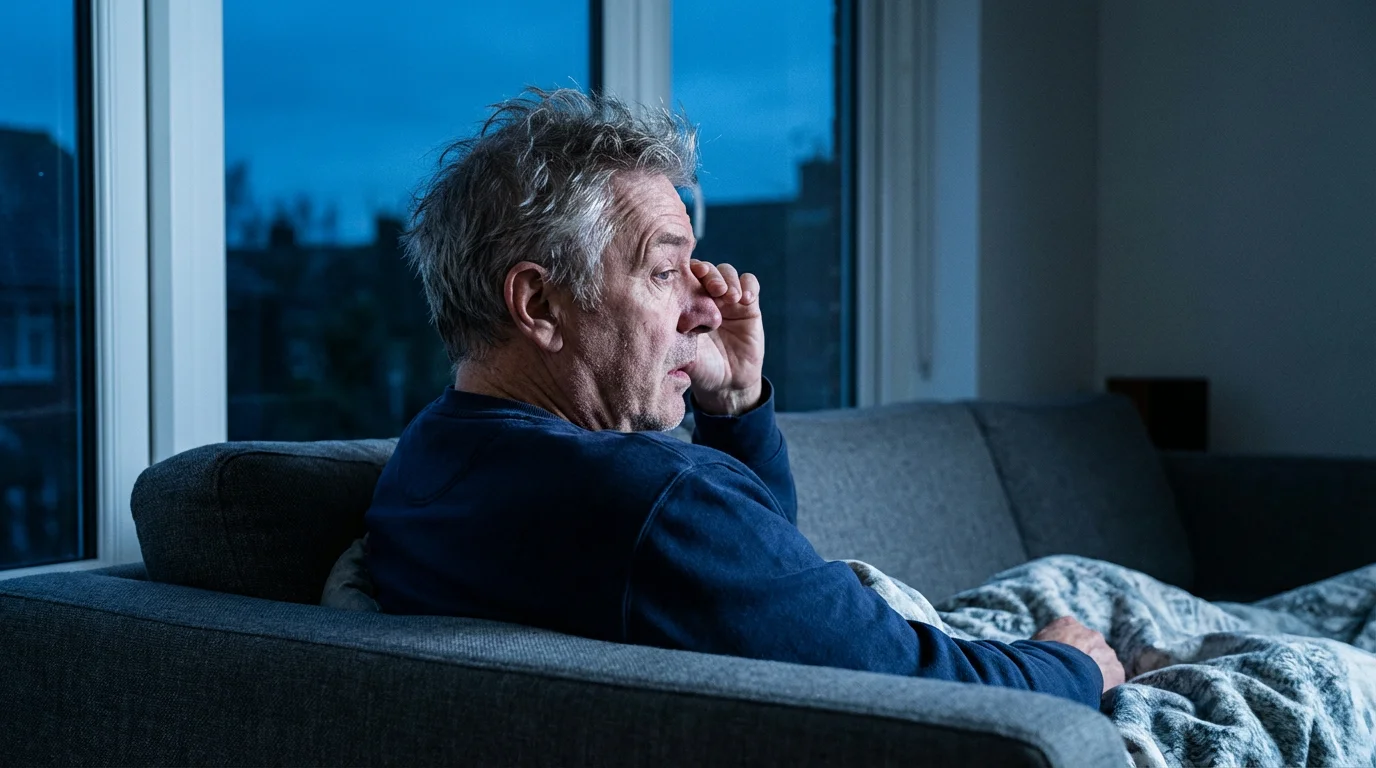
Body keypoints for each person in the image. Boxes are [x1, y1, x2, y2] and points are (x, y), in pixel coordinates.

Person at [364, 87, 1124, 707]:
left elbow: (758, 592)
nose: (702, 307)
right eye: (665, 272)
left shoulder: (425, 461)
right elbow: (926, 691)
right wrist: (1072, 666)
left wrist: (733, 403)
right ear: (539, 305)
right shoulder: (655, 503)